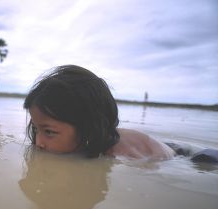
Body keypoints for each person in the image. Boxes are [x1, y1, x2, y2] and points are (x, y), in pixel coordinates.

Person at [23, 65, 175, 160]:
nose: (38, 142)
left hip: (174, 154)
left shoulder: (120, 152)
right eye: (36, 129)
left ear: (87, 129)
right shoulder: (85, 142)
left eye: (49, 131)